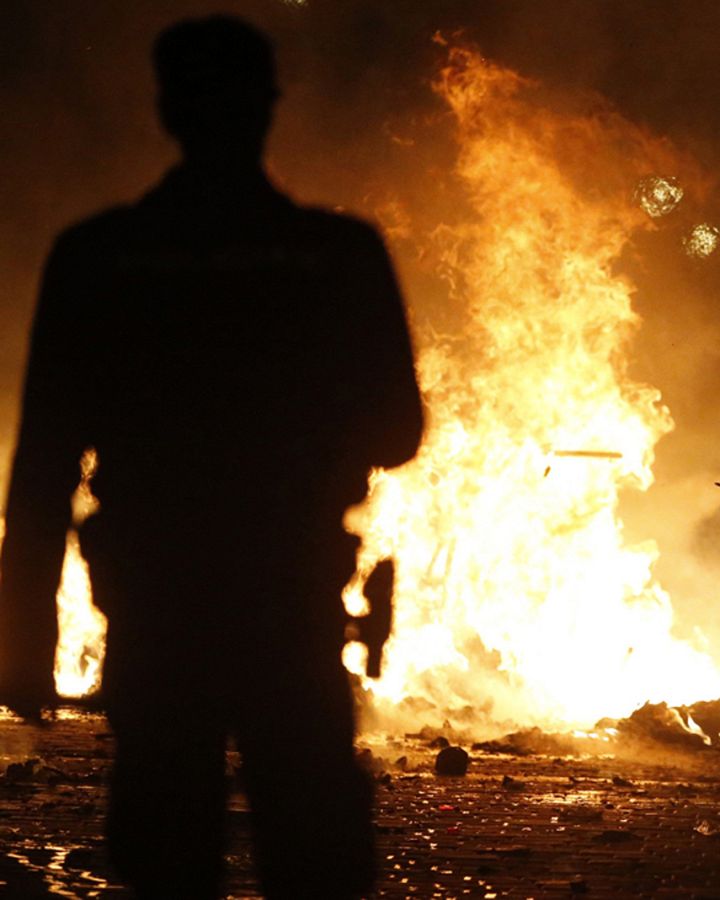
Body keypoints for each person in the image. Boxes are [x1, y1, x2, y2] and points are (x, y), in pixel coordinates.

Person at [0, 16, 423, 898]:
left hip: (161, 612)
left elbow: (43, 466)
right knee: (314, 852)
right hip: (290, 603)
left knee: (164, 851)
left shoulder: (101, 257)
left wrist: (22, 637)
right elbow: (398, 430)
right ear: (268, 109)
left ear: (167, 110)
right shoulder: (336, 256)